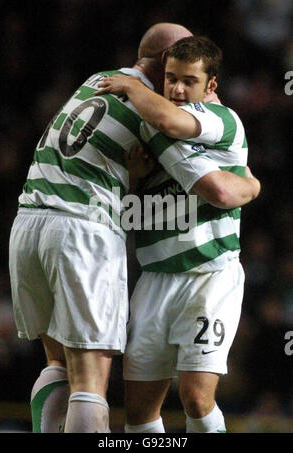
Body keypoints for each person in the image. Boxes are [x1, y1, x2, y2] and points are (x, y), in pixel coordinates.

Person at [8, 23, 195, 433]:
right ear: (167, 62)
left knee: (58, 362)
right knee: (91, 378)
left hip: (28, 222)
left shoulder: (98, 80)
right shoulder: (150, 105)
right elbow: (180, 131)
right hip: (81, 231)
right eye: (184, 65)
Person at [96, 35, 261, 433]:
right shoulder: (147, 130)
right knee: (137, 412)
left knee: (196, 396)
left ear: (211, 86)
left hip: (209, 274)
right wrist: (136, 181)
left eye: (189, 80)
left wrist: (133, 86)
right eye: (171, 78)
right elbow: (133, 215)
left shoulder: (221, 120)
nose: (178, 89)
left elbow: (170, 121)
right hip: (154, 278)